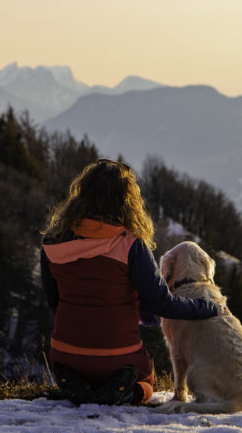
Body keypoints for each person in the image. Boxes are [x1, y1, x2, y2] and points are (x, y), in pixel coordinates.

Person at [41, 159, 221, 406]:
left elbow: (55, 302)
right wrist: (207, 307)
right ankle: (124, 392)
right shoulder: (130, 244)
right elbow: (162, 304)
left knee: (81, 364)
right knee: (147, 384)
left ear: (81, 192)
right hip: (117, 358)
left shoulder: (53, 241)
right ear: (127, 200)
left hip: (65, 353)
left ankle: (78, 386)